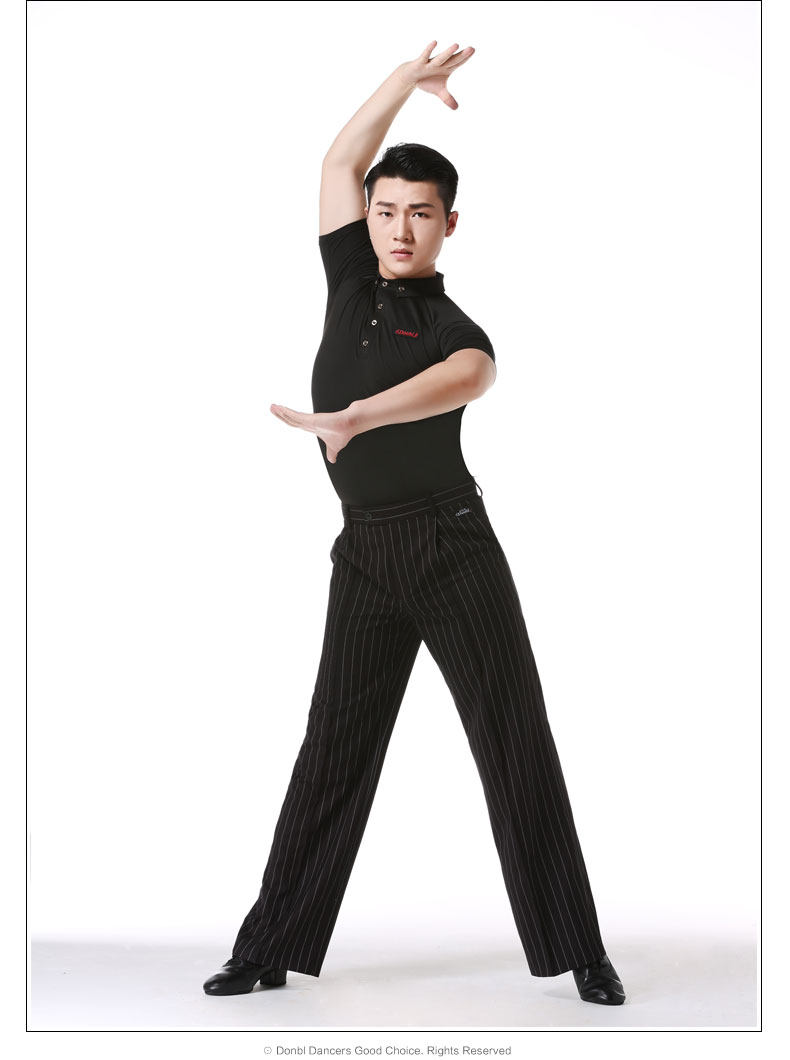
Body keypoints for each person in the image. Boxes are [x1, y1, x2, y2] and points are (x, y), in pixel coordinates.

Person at [203, 41, 625, 1007]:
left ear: (448, 225)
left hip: (450, 546)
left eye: (419, 214)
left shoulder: (449, 325)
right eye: (387, 210)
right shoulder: (350, 282)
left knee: (513, 741)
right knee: (332, 749)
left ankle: (581, 952)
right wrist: (407, 82)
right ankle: (269, 945)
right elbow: (338, 161)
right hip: (365, 553)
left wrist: (360, 415)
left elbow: (472, 376)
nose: (399, 228)